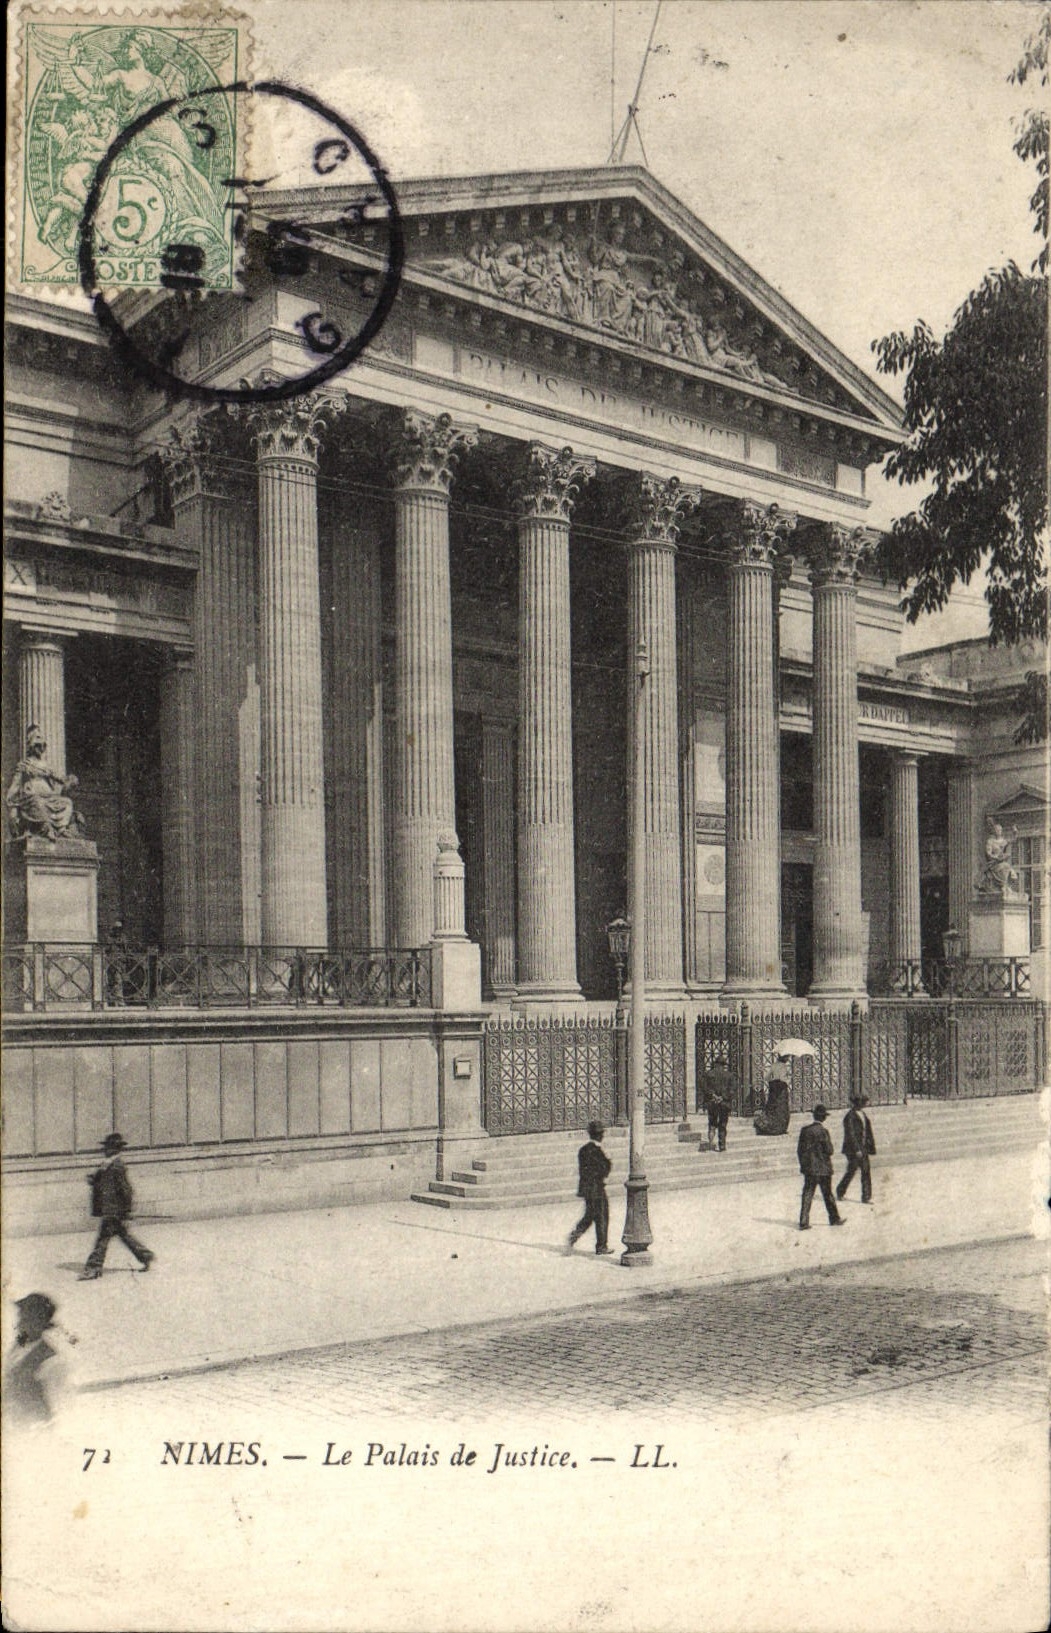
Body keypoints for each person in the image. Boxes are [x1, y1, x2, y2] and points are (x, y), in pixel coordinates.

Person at [78, 1134, 155, 1280]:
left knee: (103, 1239)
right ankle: (145, 1256)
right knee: (123, 1235)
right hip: (110, 1209)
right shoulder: (107, 1163)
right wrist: (93, 1180)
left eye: (107, 1147)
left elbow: (126, 1190)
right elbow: (102, 1183)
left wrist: (126, 1210)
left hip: (114, 1210)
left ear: (114, 1149)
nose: (104, 1150)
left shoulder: (118, 1165)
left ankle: (94, 1268)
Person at [5, 725, 82, 841]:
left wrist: (70, 779)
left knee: (67, 803)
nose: (40, 748)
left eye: (42, 746)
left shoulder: (48, 767)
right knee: (37, 802)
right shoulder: (25, 765)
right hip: (31, 799)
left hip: (50, 798)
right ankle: (45, 830)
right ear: (31, 746)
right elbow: (14, 787)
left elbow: (62, 780)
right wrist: (12, 807)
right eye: (37, 745)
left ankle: (61, 829)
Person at [4, 1293, 63, 1425]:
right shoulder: (20, 1343)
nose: (18, 1323)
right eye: (20, 1317)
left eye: (25, 1319)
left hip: (32, 1426)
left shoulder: (50, 1359)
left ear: (39, 1324)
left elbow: (58, 1406)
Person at [565, 1120, 613, 1255]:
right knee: (602, 1215)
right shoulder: (598, 1151)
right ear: (600, 1135)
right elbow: (604, 1170)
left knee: (590, 1215)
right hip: (597, 1188)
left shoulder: (583, 1149)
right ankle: (601, 1246)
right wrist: (608, 1160)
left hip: (586, 1188)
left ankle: (575, 1235)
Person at [797, 1105, 846, 1230]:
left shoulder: (805, 1130)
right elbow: (829, 1150)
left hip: (810, 1169)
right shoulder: (823, 1132)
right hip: (823, 1169)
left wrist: (804, 1165)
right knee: (828, 1194)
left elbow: (800, 1151)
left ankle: (803, 1221)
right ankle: (834, 1218)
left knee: (807, 1194)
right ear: (823, 1118)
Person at [837, 1094, 877, 1204]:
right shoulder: (849, 1116)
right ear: (856, 1103)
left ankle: (866, 1197)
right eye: (862, 1102)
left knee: (865, 1171)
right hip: (853, 1150)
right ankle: (840, 1191)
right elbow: (850, 1134)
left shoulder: (863, 1114)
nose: (864, 1104)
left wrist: (869, 1146)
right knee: (851, 1171)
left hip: (863, 1148)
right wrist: (857, 1149)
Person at [705, 1071, 731, 1152]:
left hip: (713, 1102)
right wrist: (722, 1097)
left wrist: (713, 1095)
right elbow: (732, 1090)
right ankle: (722, 1146)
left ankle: (711, 1143)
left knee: (712, 1123)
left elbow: (705, 1088)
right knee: (723, 1125)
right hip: (724, 1103)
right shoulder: (729, 1075)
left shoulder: (709, 1074)